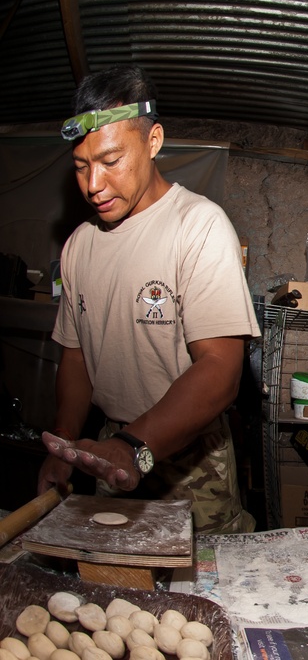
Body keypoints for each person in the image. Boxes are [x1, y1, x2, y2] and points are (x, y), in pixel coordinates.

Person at [36, 65, 259, 534]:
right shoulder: (79, 245)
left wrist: (136, 444)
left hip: (192, 461)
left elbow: (221, 370)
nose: (93, 184)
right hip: (110, 452)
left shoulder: (198, 226)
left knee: (198, 599)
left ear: (153, 140)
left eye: (111, 160)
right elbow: (75, 360)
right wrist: (64, 448)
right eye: (80, 166)